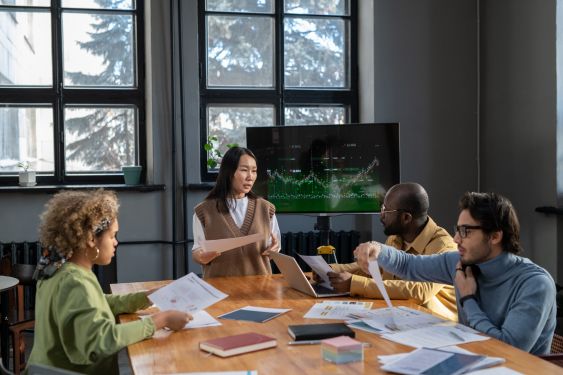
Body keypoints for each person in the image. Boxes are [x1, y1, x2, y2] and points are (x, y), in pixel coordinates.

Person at [354, 191, 556, 355]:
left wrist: (469, 299)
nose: (456, 239)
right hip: (470, 362)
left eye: (466, 231)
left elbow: (507, 350)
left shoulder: (535, 284)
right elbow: (409, 265)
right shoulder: (461, 262)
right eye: (457, 229)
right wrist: (376, 249)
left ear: (495, 236)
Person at [26, 190, 192, 374]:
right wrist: (161, 320)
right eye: (112, 236)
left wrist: (145, 297)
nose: (116, 243)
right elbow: (102, 341)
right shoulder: (75, 282)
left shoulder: (59, 270)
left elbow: (96, 304)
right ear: (90, 238)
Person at [327, 182, 458, 321]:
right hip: (398, 318)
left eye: (386, 210)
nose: (381, 215)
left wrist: (354, 284)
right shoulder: (396, 238)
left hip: (437, 326)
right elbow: (374, 267)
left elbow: (420, 291)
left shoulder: (444, 246)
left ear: (406, 218)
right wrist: (330, 270)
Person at [192, 146, 281, 278]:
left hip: (260, 291)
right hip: (219, 291)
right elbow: (197, 250)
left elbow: (274, 246)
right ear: (229, 172)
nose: (250, 177)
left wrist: (274, 249)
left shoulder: (267, 209)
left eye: (254, 171)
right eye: (244, 170)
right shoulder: (203, 211)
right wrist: (201, 257)